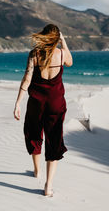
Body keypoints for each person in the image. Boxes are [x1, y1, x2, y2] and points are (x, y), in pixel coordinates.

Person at [13, 24, 73, 197]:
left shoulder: (34, 54)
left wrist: (18, 103)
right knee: (54, 140)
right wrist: (63, 41)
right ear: (56, 38)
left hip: (36, 103)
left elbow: (26, 79)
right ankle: (48, 185)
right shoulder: (61, 54)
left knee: (34, 134)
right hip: (56, 103)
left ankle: (37, 170)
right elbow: (70, 62)